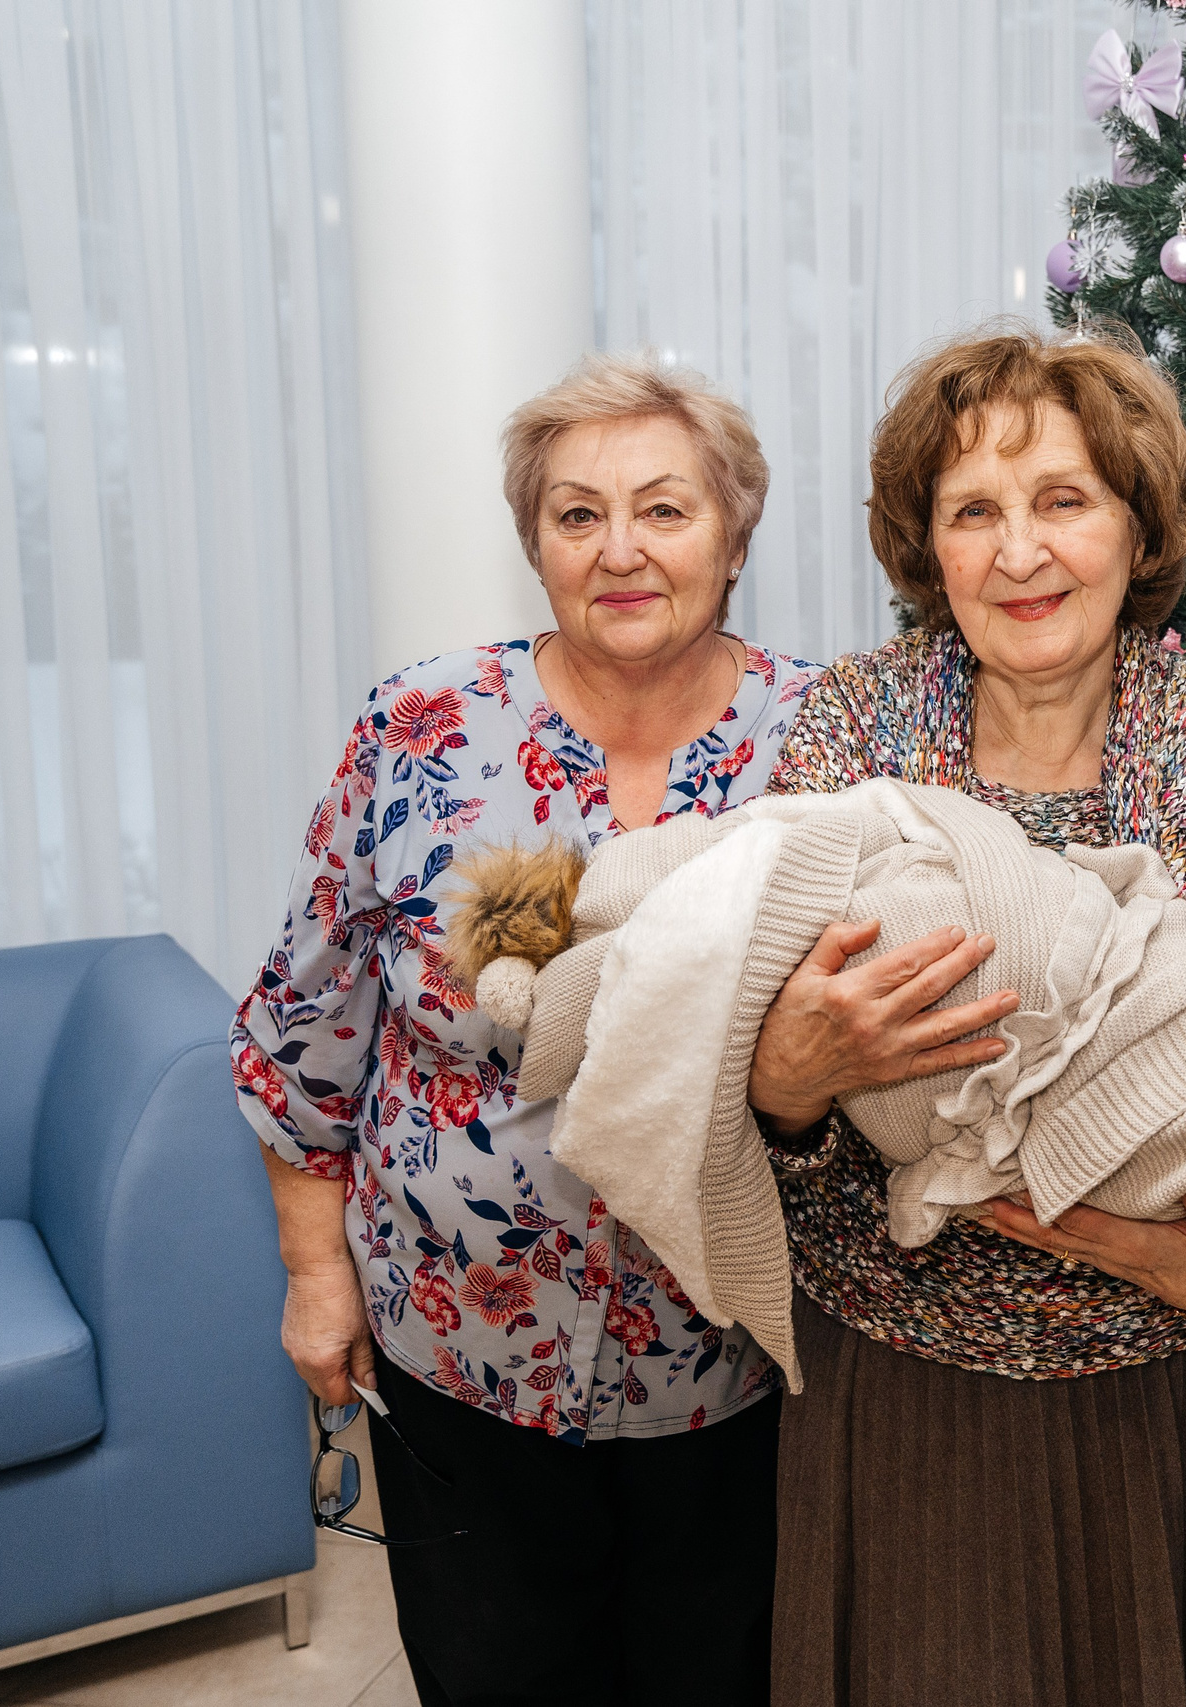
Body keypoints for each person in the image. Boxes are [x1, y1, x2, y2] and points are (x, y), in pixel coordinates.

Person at [739, 320, 1186, 1707]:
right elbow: (779, 1072)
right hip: (907, 1395)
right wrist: (785, 1087)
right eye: (975, 512)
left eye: (1062, 500)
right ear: (928, 549)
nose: (1020, 553)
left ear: (1138, 532)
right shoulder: (850, 739)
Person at [233, 353, 820, 1707]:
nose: (620, 549)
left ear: (734, 536)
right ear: (535, 544)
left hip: (728, 1367)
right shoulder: (419, 727)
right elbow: (305, 1032)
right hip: (463, 1353)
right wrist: (317, 1277)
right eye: (577, 514)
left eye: (665, 510)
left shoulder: (821, 736)